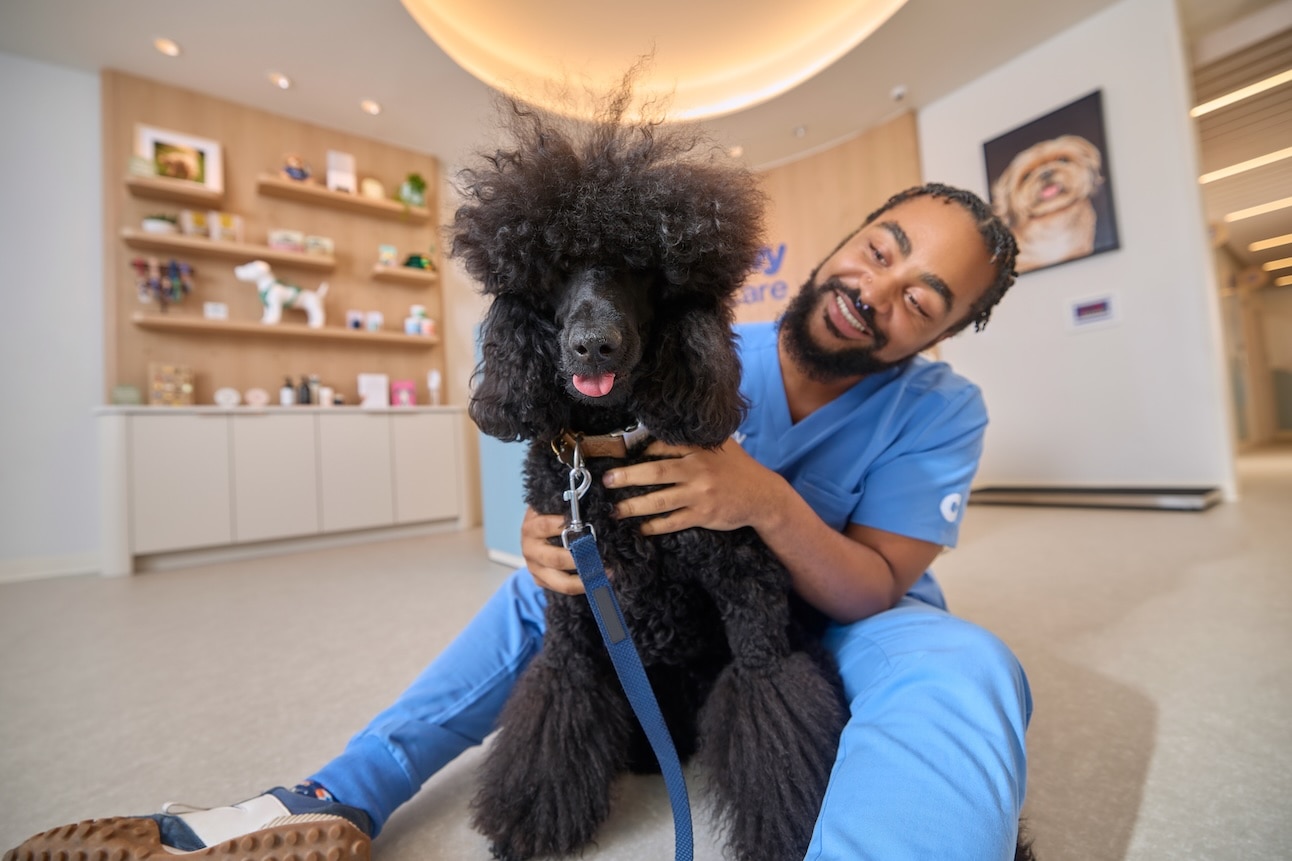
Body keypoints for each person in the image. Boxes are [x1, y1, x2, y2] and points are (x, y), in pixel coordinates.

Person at [6, 183, 1033, 861]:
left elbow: (869, 584)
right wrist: (544, 535)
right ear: (847, 239)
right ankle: (333, 792)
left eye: (921, 298)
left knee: (968, 665)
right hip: (679, 602)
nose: (876, 290)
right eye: (878, 250)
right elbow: (566, 450)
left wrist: (759, 497)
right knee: (542, 589)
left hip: (837, 613)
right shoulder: (700, 345)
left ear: (943, 331)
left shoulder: (942, 413)